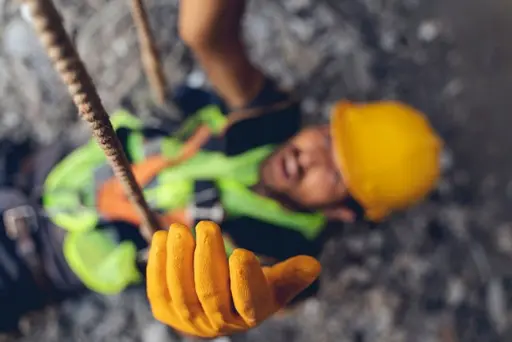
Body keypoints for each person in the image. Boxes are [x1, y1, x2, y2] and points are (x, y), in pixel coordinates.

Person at [0, 0, 442, 336]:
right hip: (32, 166)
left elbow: (254, 300)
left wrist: (216, 318)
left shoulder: (284, 252)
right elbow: (208, 35)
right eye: (326, 139)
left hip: (30, 267)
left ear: (343, 210)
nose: (310, 157)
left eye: (337, 174)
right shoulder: (268, 116)